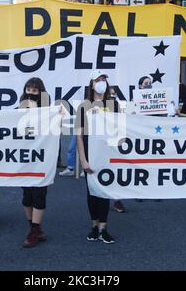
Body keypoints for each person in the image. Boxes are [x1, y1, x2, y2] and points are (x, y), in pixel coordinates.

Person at [76, 70, 118, 244]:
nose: (102, 82)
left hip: (107, 154)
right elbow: (78, 135)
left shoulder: (113, 104)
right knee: (92, 190)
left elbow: (120, 128)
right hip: (89, 152)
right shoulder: (84, 105)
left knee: (104, 190)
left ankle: (103, 228)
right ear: (91, 84)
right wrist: (83, 160)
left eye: (104, 79)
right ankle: (94, 226)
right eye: (98, 79)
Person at [19, 77, 50, 248]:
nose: (31, 93)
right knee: (27, 195)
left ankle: (34, 230)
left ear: (41, 93)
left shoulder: (47, 110)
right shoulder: (19, 109)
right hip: (24, 159)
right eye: (28, 89)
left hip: (42, 158)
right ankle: (34, 228)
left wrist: (37, 111)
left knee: (39, 193)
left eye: (35, 90)